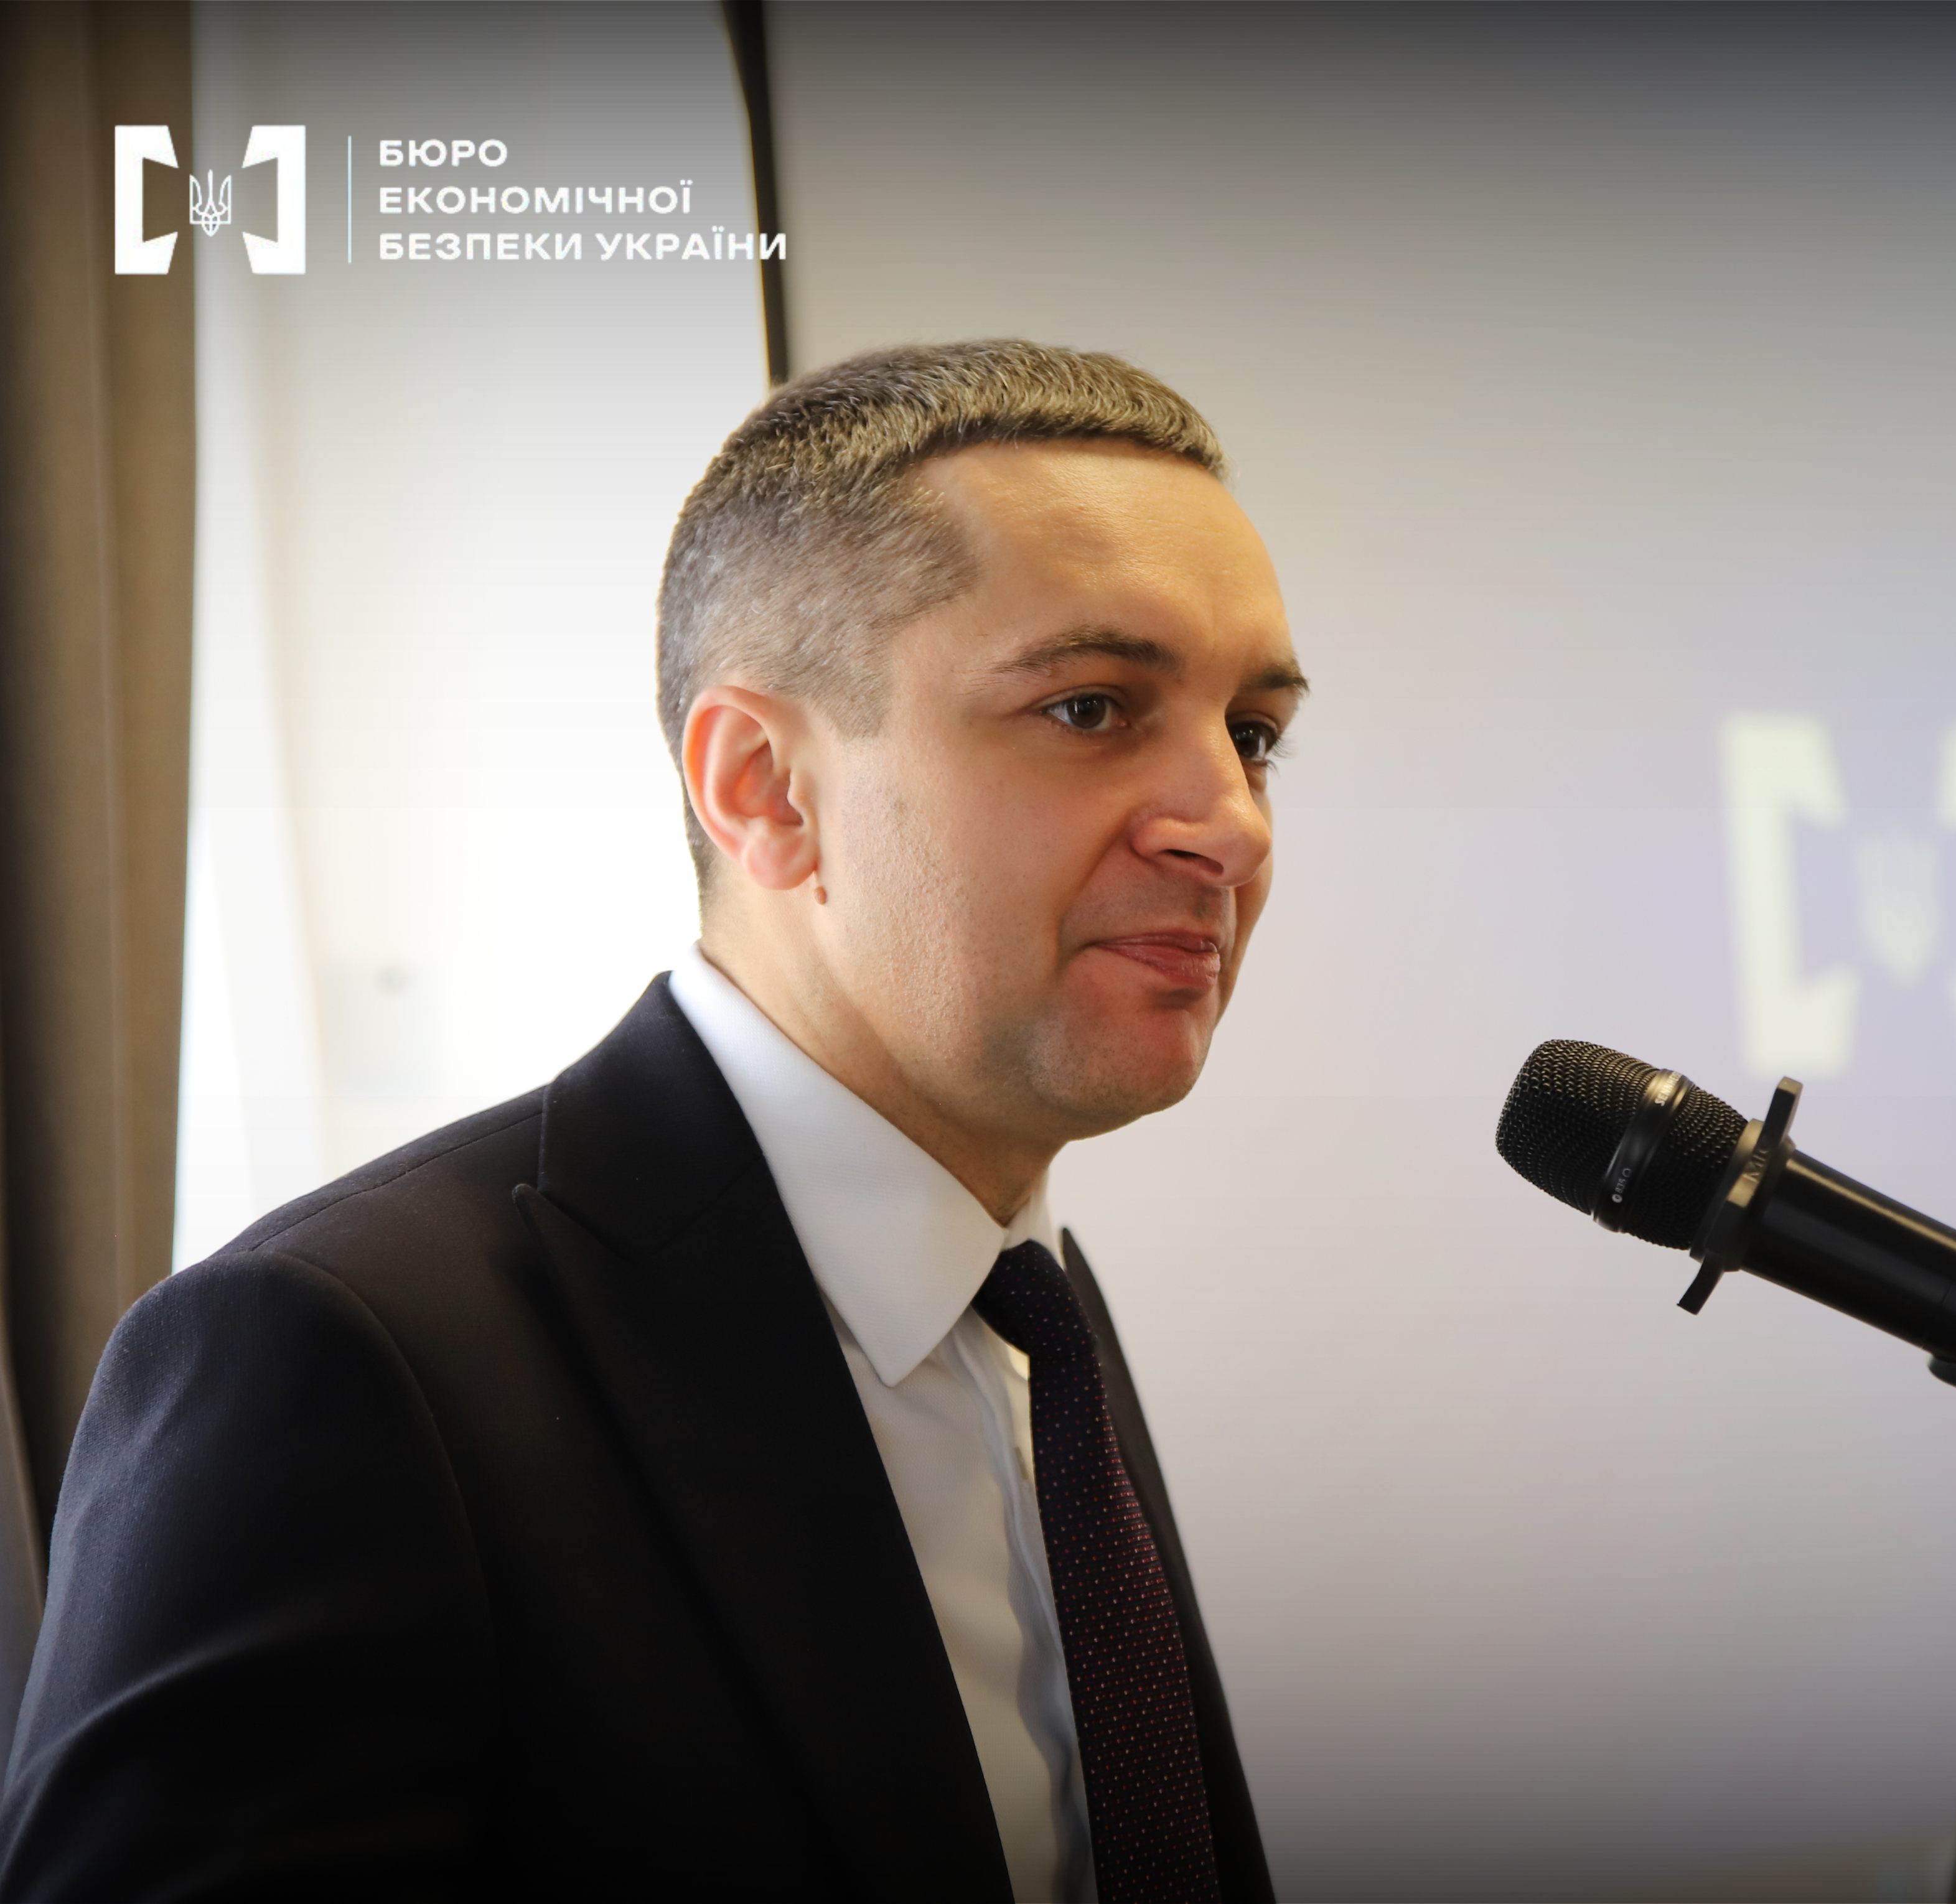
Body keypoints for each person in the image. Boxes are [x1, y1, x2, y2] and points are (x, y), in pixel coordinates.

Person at [0, 342, 1303, 1903]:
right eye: (1092, 707)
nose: (1228, 822)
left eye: (1255, 733)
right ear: (763, 788)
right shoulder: (338, 1356)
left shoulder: (1034, 1311)